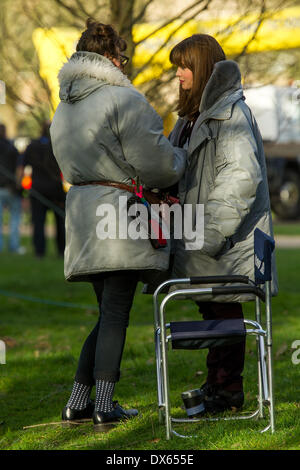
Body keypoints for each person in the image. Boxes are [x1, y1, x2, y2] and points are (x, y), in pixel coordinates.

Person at [50, 19, 186, 431]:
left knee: (106, 311)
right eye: (122, 57)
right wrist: (180, 161)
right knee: (115, 313)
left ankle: (78, 401)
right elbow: (158, 164)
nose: (125, 65)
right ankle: (103, 405)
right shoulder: (121, 99)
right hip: (118, 213)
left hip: (83, 212)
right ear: (111, 58)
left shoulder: (65, 107)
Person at [168, 34, 278, 415]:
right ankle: (218, 385)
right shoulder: (191, 117)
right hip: (200, 236)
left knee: (225, 310)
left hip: (226, 241)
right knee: (212, 311)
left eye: (184, 66)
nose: (178, 74)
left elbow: (241, 179)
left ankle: (229, 389)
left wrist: (209, 233)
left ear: (201, 68)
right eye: (176, 67)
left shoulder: (229, 113)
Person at [22, 121, 66, 258]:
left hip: (38, 188)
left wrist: (20, 185)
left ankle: (39, 252)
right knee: (59, 222)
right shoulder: (59, 145)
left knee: (38, 221)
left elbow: (22, 167)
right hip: (55, 189)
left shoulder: (32, 145)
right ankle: (61, 250)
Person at [0, 124, 22, 253]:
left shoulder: (11, 148)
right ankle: (14, 246)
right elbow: (19, 168)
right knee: (15, 218)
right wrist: (17, 185)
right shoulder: (11, 148)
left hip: (5, 187)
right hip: (10, 187)